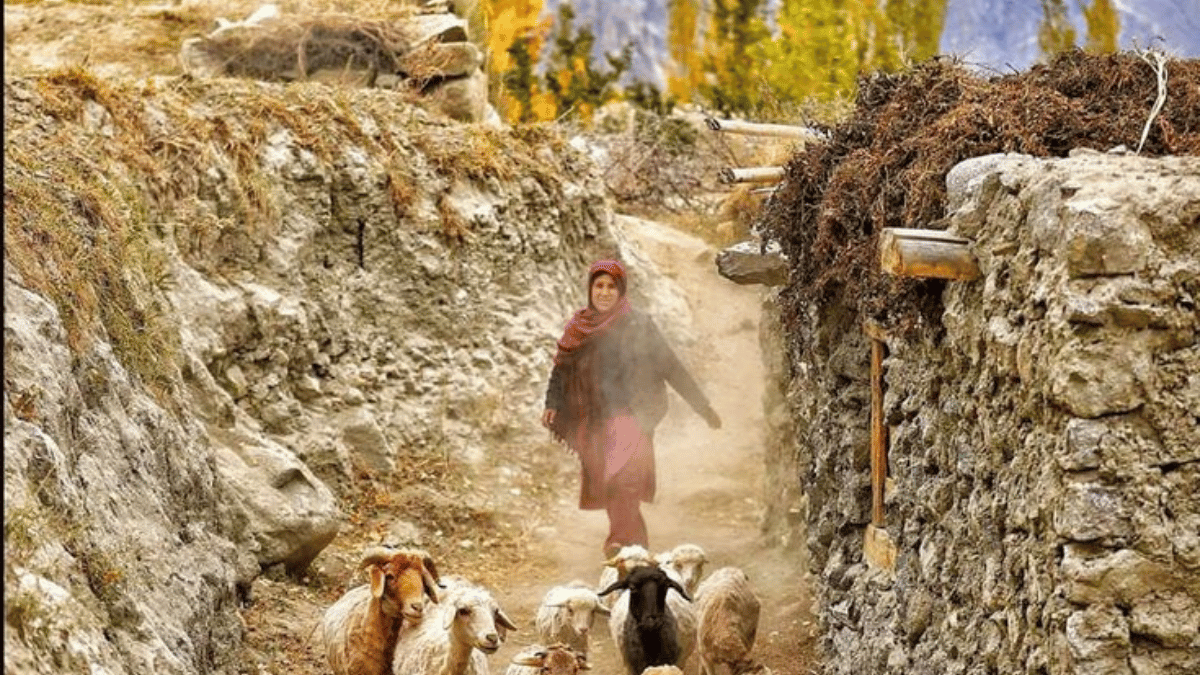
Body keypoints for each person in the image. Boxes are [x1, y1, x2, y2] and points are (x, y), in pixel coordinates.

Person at [541, 259, 722, 558]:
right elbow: (561, 368)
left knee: (623, 479)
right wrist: (552, 402)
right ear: (590, 289)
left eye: (611, 286)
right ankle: (636, 551)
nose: (604, 292)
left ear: (621, 291)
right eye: (598, 286)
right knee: (611, 486)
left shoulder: (639, 324)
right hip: (594, 417)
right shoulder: (579, 328)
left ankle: (617, 543)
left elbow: (671, 367)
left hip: (633, 415)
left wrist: (703, 407)